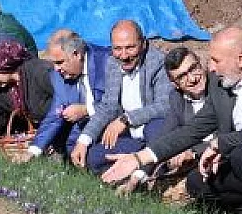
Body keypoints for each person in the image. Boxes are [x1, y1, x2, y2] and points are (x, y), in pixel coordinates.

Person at [100, 25, 242, 214]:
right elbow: (193, 130)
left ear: (241, 60)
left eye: (216, 60)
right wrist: (138, 159)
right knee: (198, 182)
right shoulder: (221, 84)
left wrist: (218, 145)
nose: (211, 68)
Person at [71, 20, 171, 175]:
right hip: (134, 138)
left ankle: (146, 172)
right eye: (117, 48)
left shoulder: (158, 63)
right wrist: (83, 140)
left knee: (156, 128)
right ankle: (134, 168)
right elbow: (108, 107)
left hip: (154, 132)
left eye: (130, 48)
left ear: (143, 44)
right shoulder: (112, 63)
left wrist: (126, 119)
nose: (124, 55)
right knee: (93, 158)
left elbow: (165, 105)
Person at [138, 45, 212, 197]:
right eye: (182, 76)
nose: (192, 79)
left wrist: (193, 152)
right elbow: (164, 136)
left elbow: (229, 132)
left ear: (201, 63)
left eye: (193, 68)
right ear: (174, 84)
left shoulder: (219, 89)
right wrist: (139, 173)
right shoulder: (177, 98)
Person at [27, 30, 108, 160]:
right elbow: (55, 114)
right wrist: (33, 150)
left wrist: (86, 109)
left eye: (59, 62)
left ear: (76, 54)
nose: (56, 68)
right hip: (80, 135)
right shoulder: (59, 75)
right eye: (53, 63)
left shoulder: (105, 63)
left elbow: (117, 104)